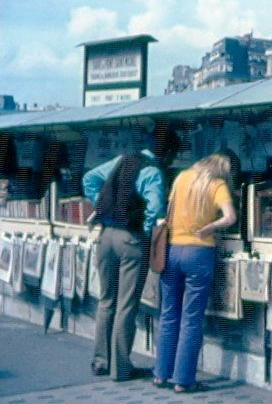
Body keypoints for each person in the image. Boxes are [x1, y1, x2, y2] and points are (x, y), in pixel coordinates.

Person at [82, 127, 180, 381]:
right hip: (131, 239)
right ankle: (121, 368)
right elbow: (155, 208)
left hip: (105, 237)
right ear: (167, 152)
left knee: (106, 301)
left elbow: (89, 179)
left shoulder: (122, 159)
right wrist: (146, 232)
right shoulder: (153, 172)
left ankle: (101, 361)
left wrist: (101, 205)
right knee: (126, 305)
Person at [152, 149, 240, 393]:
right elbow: (230, 217)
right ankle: (183, 380)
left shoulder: (181, 177)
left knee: (169, 314)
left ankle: (160, 374)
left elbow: (168, 213)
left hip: (172, 250)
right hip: (199, 253)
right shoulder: (217, 184)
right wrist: (210, 227)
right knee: (191, 319)